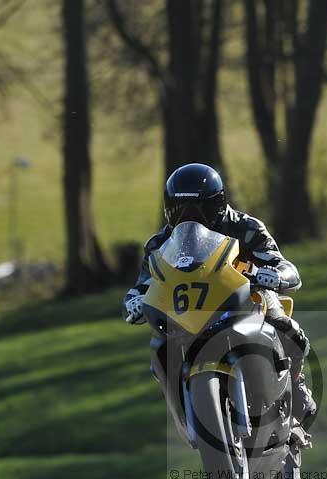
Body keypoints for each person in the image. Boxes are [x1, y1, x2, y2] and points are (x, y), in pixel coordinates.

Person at [124, 162, 316, 423]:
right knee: (159, 347)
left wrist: (273, 274)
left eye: (200, 209)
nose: (190, 218)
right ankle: (185, 406)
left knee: (283, 325)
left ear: (219, 204)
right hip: (188, 309)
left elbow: (284, 265)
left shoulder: (246, 227)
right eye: (180, 211)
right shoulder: (159, 243)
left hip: (246, 297)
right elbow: (142, 284)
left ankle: (296, 382)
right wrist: (135, 301)